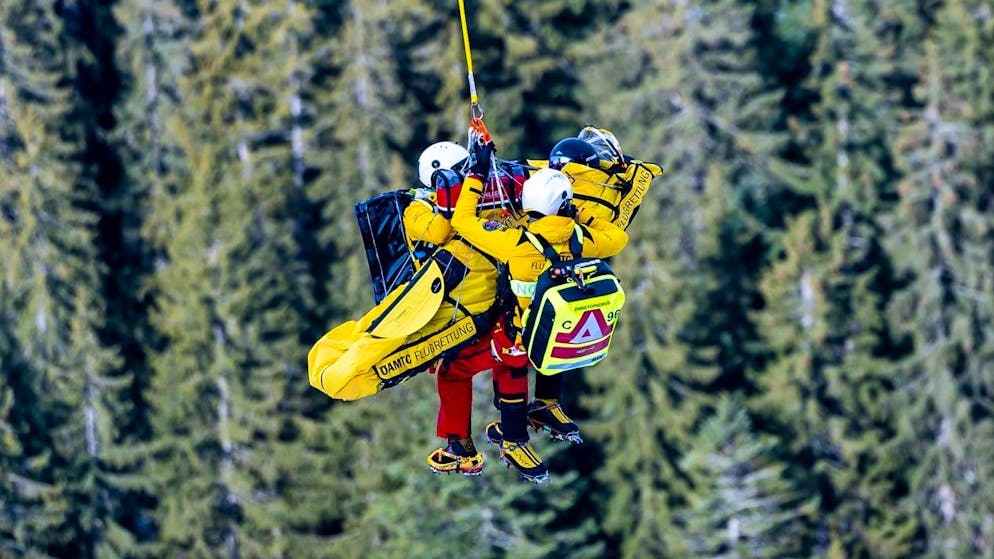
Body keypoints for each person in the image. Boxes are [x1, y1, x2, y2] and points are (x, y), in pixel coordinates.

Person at [450, 133, 629, 483]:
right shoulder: (583, 239)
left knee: (512, 360)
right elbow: (619, 237)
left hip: (519, 334)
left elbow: (463, 221)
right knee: (555, 337)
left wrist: (476, 175)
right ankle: (547, 402)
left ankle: (515, 438)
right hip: (556, 333)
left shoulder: (515, 242)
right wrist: (581, 218)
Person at [406, 142, 531, 478]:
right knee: (506, 357)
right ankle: (511, 431)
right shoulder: (420, 210)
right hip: (468, 313)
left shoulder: (485, 205)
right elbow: (439, 230)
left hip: (486, 310)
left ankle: (467, 444)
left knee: (461, 369)